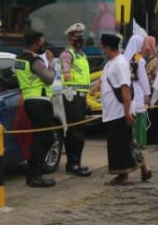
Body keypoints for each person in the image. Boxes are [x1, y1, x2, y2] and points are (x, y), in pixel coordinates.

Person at [97, 32, 147, 185]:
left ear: (106, 47)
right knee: (128, 143)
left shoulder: (120, 63)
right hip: (112, 111)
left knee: (119, 145)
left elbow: (125, 88)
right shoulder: (109, 64)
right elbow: (105, 80)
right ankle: (145, 168)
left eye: (102, 46)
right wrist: (97, 86)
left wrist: (126, 111)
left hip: (119, 112)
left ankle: (123, 175)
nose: (101, 49)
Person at [13, 31, 56, 188]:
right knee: (44, 139)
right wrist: (51, 62)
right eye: (41, 43)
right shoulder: (34, 61)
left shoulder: (19, 59)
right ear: (34, 44)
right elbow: (49, 79)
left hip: (29, 101)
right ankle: (35, 176)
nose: (43, 45)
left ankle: (34, 174)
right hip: (40, 102)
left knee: (41, 139)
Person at [58, 23, 92, 177]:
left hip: (81, 96)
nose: (80, 40)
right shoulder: (68, 54)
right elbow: (66, 70)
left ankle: (76, 162)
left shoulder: (82, 55)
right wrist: (66, 73)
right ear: (70, 38)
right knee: (74, 133)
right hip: (71, 96)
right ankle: (73, 164)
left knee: (79, 132)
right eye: (77, 37)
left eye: (81, 37)